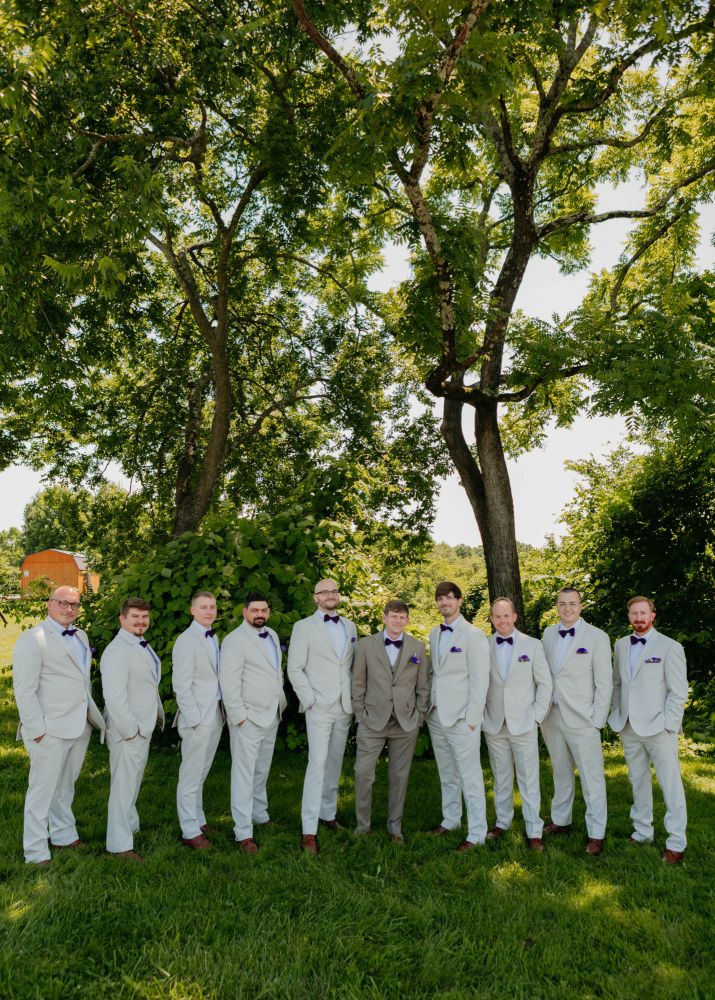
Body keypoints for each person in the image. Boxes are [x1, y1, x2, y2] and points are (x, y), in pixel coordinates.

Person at [12, 586, 105, 865]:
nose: (69, 608)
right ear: (49, 604)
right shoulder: (33, 638)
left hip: (79, 724)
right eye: (62, 603)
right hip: (48, 729)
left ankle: (63, 835)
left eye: (74, 604)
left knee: (66, 787)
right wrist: (37, 731)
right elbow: (24, 690)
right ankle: (35, 851)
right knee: (42, 792)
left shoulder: (81, 636)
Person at [609, 596, 688, 864]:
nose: (639, 618)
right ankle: (642, 831)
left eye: (643, 613)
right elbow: (618, 684)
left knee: (670, 785)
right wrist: (616, 714)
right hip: (629, 726)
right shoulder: (621, 645)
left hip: (659, 728)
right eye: (634, 613)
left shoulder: (670, 647)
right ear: (629, 617)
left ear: (653, 615)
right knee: (637, 780)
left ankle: (676, 841)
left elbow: (678, 691)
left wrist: (669, 725)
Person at [540, 587, 612, 855]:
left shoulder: (597, 636)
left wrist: (597, 720)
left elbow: (604, 682)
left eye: (572, 603)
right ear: (557, 606)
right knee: (560, 771)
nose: (567, 608)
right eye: (562, 604)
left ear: (581, 606)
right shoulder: (548, 634)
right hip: (552, 715)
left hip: (583, 718)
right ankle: (561, 820)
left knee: (592, 777)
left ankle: (596, 833)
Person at [287, 578, 357, 854]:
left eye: (334, 591)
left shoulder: (350, 626)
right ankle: (308, 830)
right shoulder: (303, 627)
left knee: (335, 763)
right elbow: (295, 668)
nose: (330, 595)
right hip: (318, 706)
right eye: (324, 591)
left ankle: (328, 814)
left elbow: (350, 665)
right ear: (315, 597)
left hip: (344, 706)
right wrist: (310, 701)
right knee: (316, 765)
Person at [351, 599, 429, 843]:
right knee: (363, 773)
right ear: (384, 618)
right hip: (372, 720)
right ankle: (363, 826)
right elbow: (357, 683)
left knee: (399, 776)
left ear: (407, 620)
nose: (398, 621)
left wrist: (419, 717)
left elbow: (423, 686)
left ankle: (395, 827)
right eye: (393, 616)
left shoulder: (417, 648)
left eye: (402, 617)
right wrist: (360, 714)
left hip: (405, 723)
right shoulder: (365, 645)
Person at [219, 592, 287, 853]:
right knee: (244, 775)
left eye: (264, 610)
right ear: (245, 612)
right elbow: (228, 683)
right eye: (255, 610)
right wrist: (240, 718)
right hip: (247, 718)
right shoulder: (234, 640)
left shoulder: (272, 635)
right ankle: (243, 832)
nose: (260, 614)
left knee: (261, 770)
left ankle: (260, 814)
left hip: (272, 714)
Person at [483, 597, 552, 851]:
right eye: (497, 616)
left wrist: (536, 717)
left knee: (528, 779)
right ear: (492, 619)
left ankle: (534, 830)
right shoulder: (484, 646)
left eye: (506, 615)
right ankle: (502, 822)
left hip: (524, 723)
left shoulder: (532, 645)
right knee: (501, 777)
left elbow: (545, 683)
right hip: (494, 723)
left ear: (514, 617)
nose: (502, 620)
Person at [427, 581, 490, 852]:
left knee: (470, 776)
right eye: (440, 598)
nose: (444, 602)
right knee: (447, 773)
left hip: (463, 718)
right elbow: (435, 673)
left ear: (459, 601)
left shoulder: (473, 635)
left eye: (449, 597)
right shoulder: (434, 633)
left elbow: (480, 679)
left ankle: (477, 832)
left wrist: (472, 718)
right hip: (436, 715)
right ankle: (450, 820)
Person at [101, 597, 164, 861]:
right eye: (135, 617)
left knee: (133, 783)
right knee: (123, 787)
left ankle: (130, 825)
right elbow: (114, 697)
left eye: (144, 617)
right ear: (122, 619)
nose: (141, 621)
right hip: (128, 730)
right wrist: (131, 731)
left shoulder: (139, 644)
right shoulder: (117, 651)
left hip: (142, 727)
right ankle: (119, 845)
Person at [172, 590, 224, 850]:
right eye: (203, 607)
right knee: (191, 774)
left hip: (215, 715)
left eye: (212, 607)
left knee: (202, 772)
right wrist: (194, 719)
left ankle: (199, 819)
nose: (209, 611)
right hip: (197, 718)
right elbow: (181, 685)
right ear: (192, 610)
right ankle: (189, 830)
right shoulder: (186, 641)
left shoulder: (213, 637)